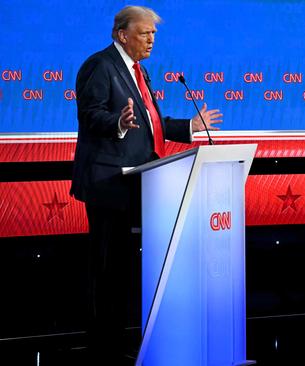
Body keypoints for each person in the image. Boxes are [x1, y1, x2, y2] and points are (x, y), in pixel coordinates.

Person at [69, 5, 222, 363]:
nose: (151, 39)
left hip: (136, 183)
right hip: (109, 183)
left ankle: (119, 341)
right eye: (144, 33)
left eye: (153, 34)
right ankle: (102, 346)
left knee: (122, 268)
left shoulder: (138, 71)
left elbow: (151, 122)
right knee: (106, 268)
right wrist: (118, 122)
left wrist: (189, 127)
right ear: (122, 34)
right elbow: (91, 115)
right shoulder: (101, 65)